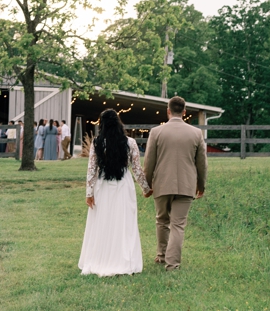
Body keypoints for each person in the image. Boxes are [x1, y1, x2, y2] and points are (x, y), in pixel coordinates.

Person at [79, 109, 152, 276]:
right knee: (124, 222)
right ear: (119, 123)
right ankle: (123, 260)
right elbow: (137, 170)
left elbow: (92, 170)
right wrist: (146, 189)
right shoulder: (130, 143)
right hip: (123, 185)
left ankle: (100, 259)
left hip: (103, 185)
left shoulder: (97, 143)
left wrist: (89, 193)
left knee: (103, 222)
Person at [143, 96, 208, 272]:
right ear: (185, 112)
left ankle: (162, 255)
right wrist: (201, 186)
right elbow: (202, 163)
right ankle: (173, 264)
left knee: (162, 220)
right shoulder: (196, 133)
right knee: (178, 224)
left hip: (162, 183)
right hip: (187, 185)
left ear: (168, 111)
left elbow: (149, 162)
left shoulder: (156, 132)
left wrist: (146, 185)